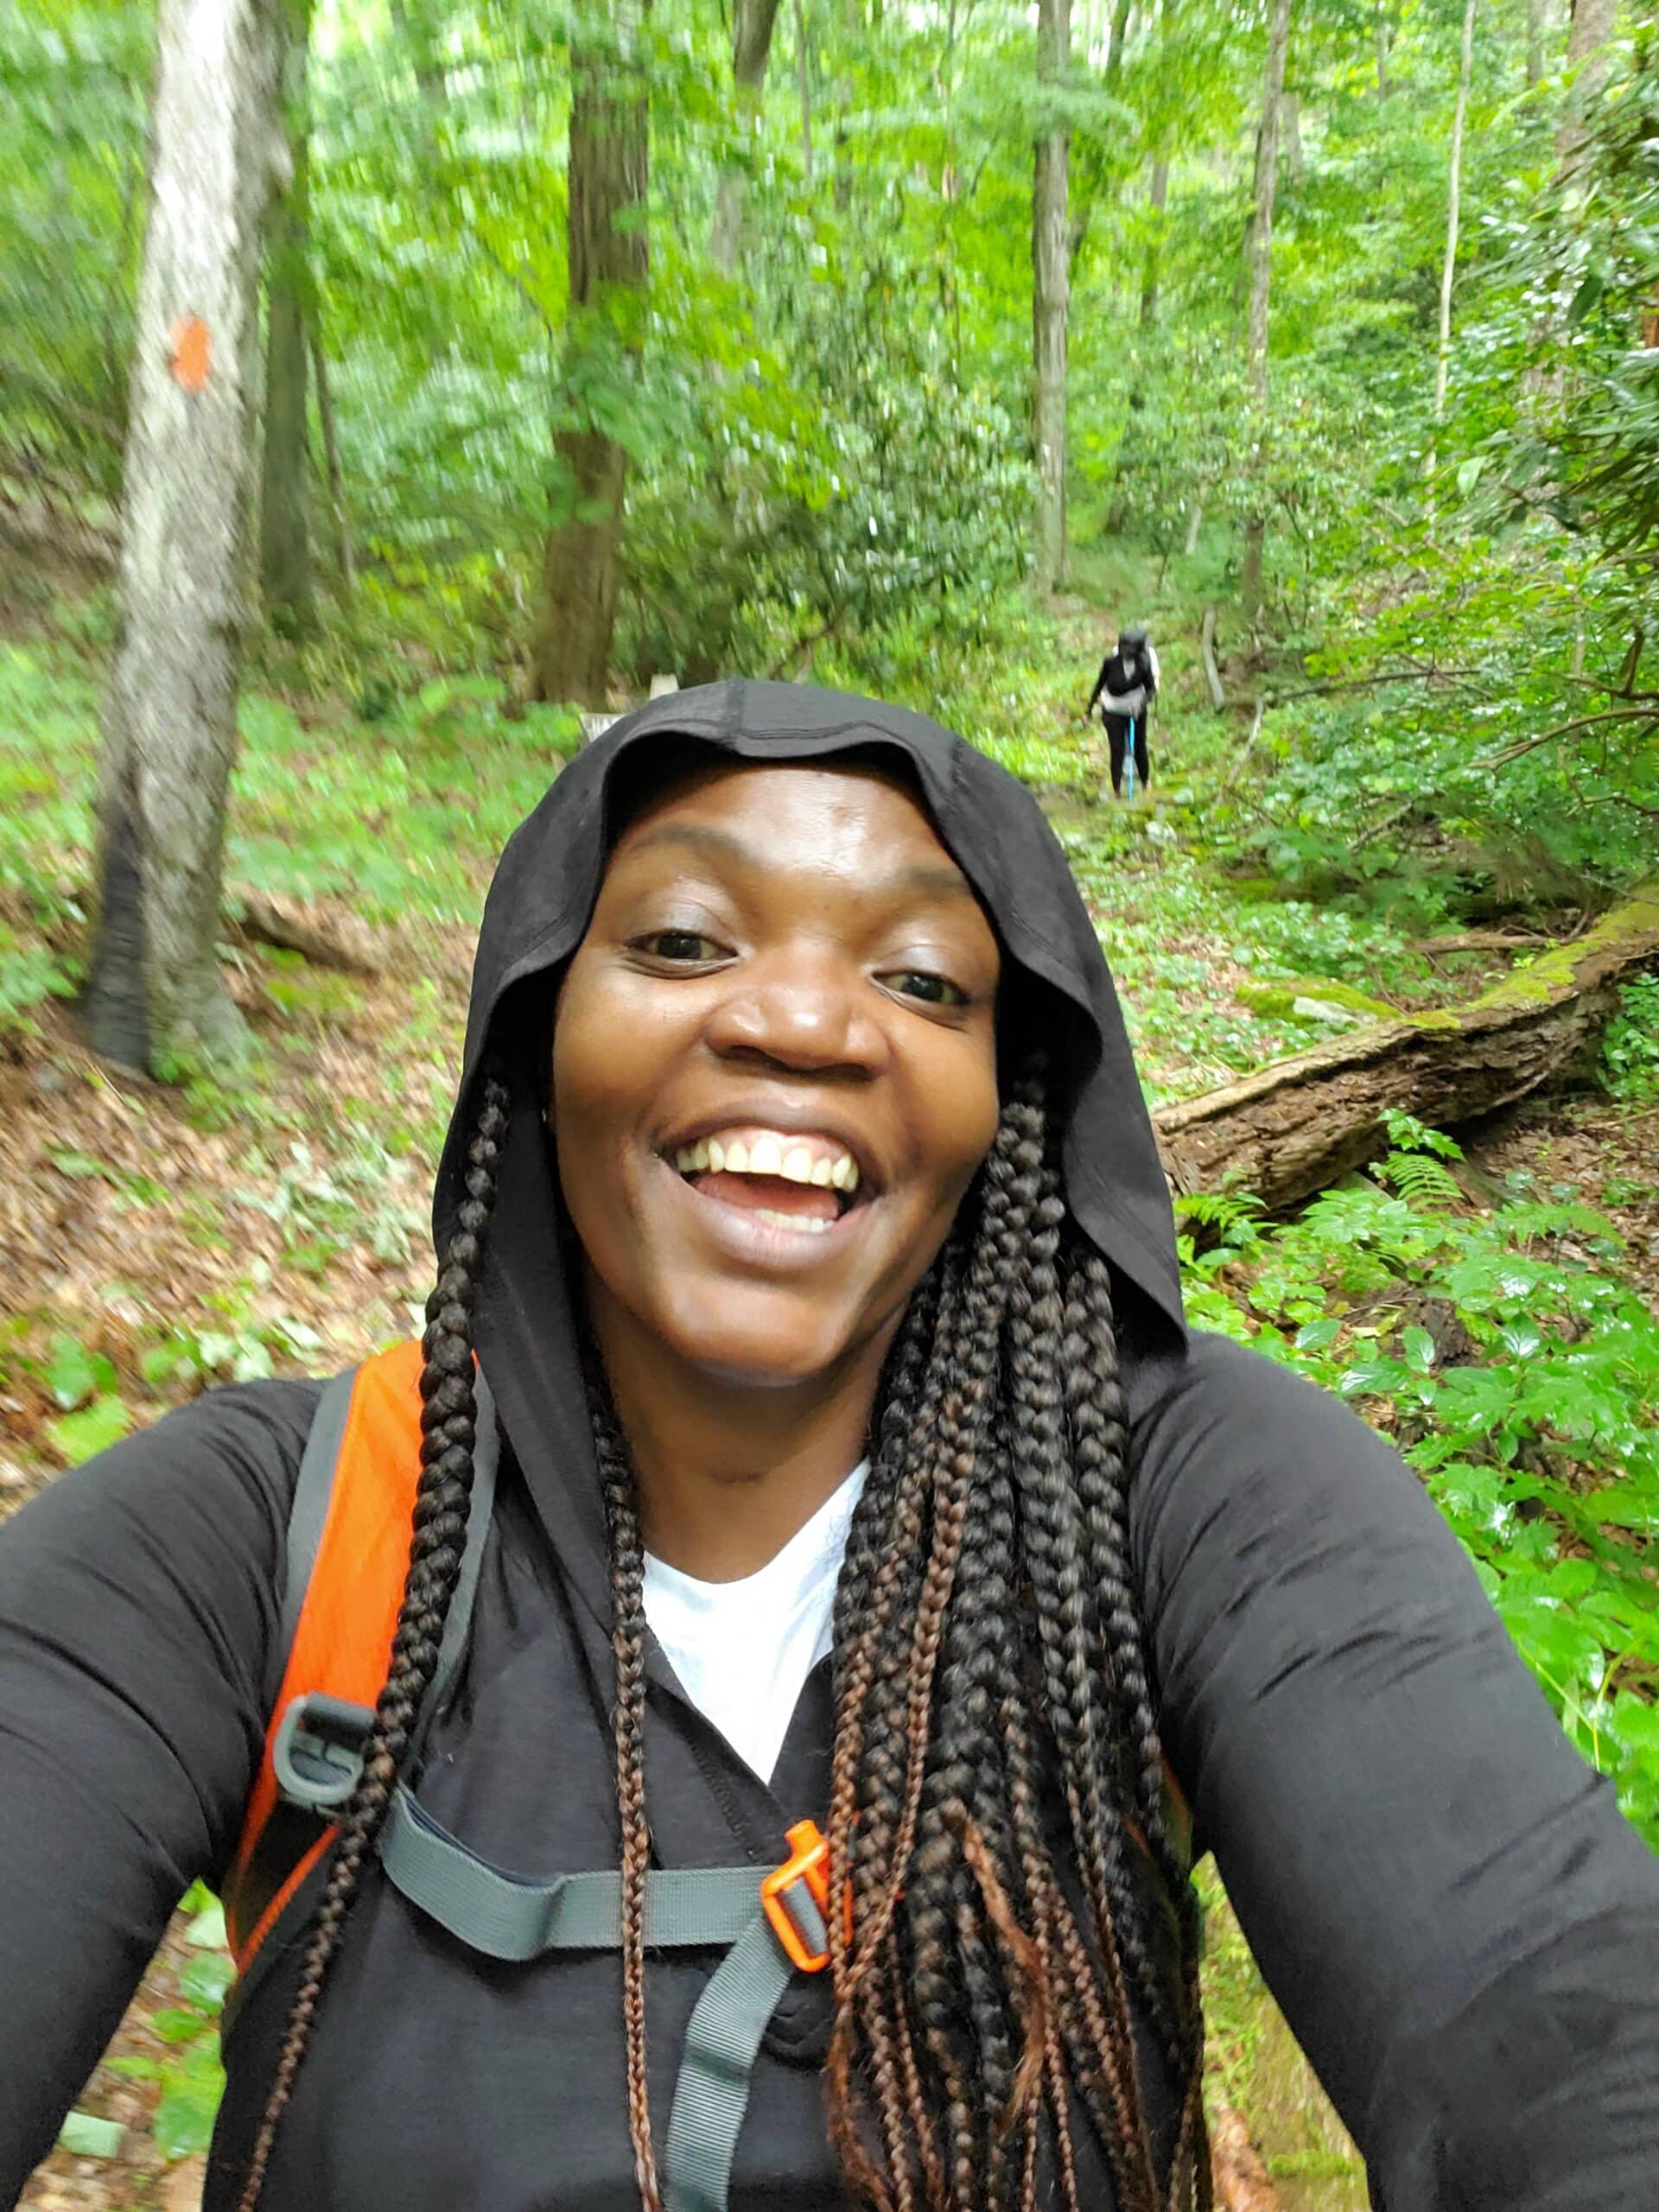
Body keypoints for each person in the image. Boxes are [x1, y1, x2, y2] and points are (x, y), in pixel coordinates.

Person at [2, 679, 1658, 2212]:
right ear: (538, 1039)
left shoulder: (1181, 1493)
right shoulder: (270, 1536)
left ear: (1007, 1100)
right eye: (680, 941)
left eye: (921, 979)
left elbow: (1547, 2008)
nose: (802, 1020)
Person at [1087, 624, 1160, 798]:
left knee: (1139, 747)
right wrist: (1088, 710)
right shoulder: (1110, 663)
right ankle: (1117, 790)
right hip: (1113, 711)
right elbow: (1099, 685)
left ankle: (1145, 783)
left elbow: (1151, 690)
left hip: (1136, 710)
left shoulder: (1144, 664)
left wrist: (1141, 704)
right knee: (1117, 749)